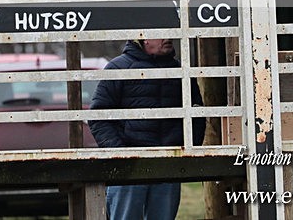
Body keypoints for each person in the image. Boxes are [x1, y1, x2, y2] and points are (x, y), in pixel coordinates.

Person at [88, 38, 206, 220]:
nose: (168, 38)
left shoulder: (180, 71)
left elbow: (196, 113)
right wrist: (121, 152)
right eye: (160, 34)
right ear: (142, 39)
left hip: (168, 163)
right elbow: (99, 117)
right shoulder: (118, 69)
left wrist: (185, 149)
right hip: (129, 168)